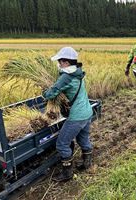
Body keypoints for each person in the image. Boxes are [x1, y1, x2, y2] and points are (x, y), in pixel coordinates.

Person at [43, 47, 93, 182]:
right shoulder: (78, 72)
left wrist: (44, 92)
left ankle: (67, 173)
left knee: (62, 144)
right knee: (83, 139)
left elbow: (51, 93)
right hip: (87, 112)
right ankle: (87, 162)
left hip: (76, 116)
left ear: (65, 62)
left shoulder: (66, 76)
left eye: (60, 61)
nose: (58, 64)